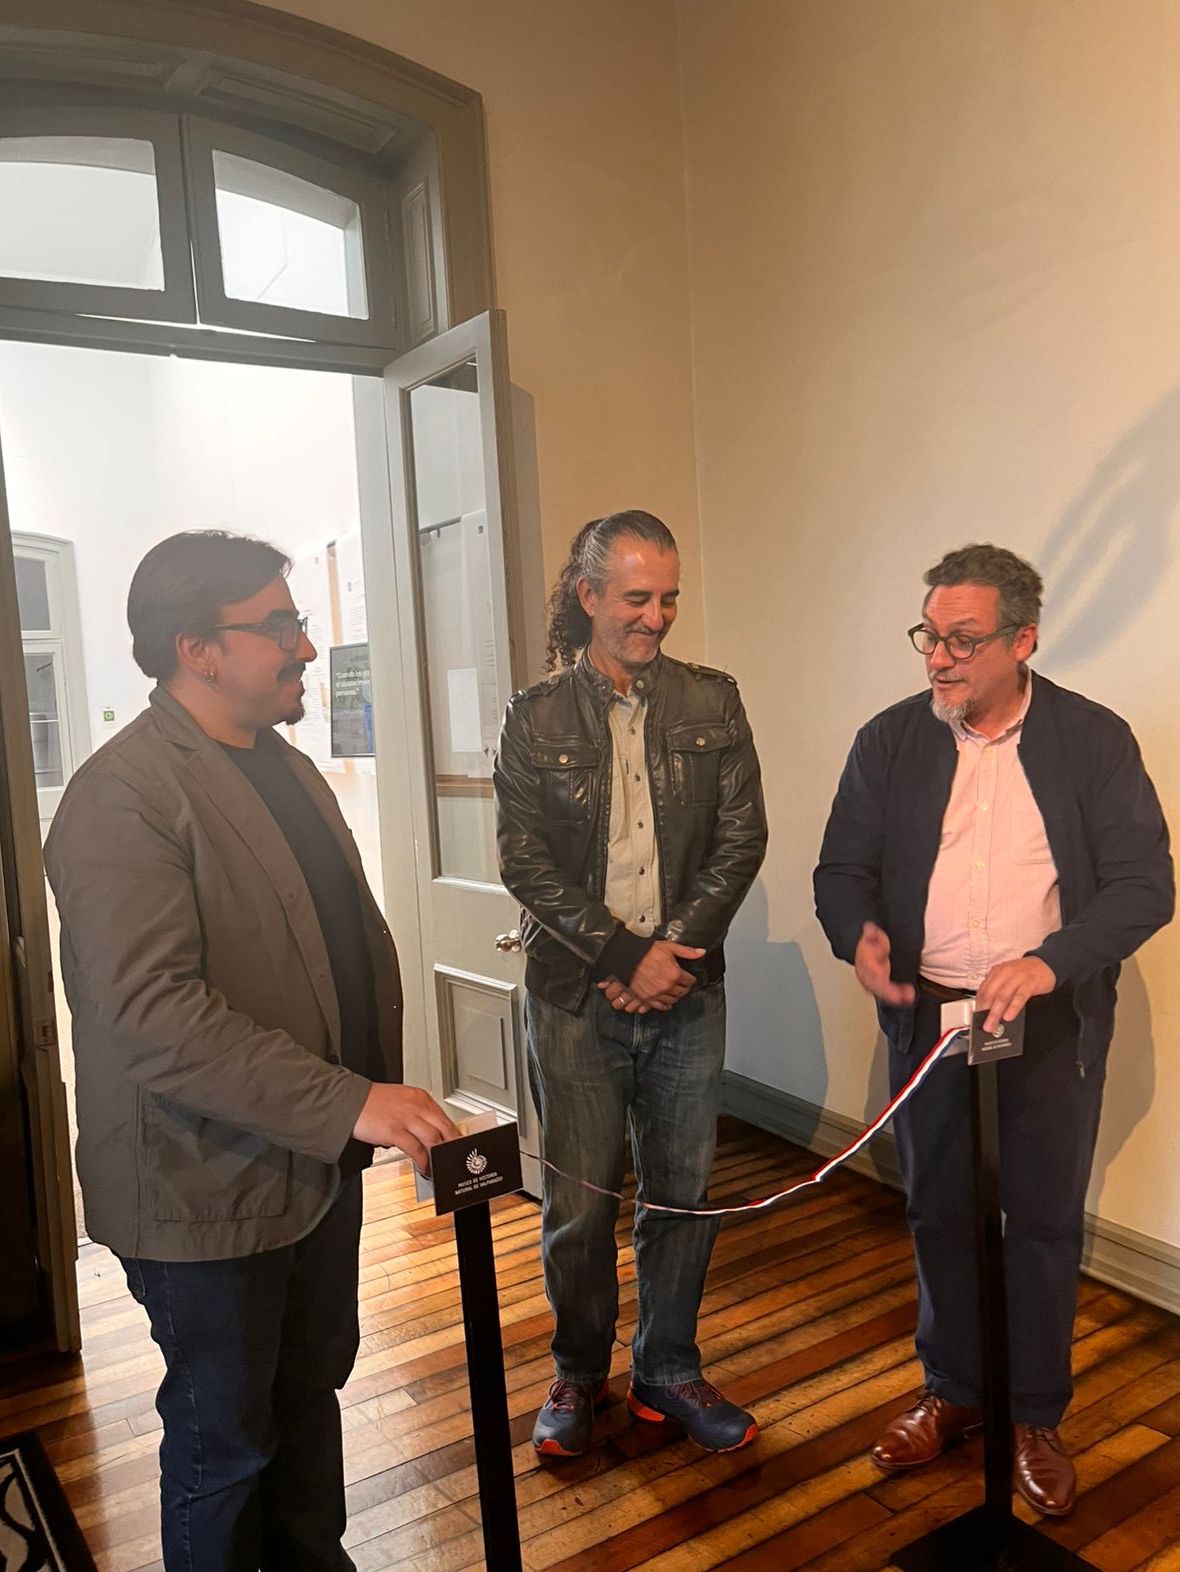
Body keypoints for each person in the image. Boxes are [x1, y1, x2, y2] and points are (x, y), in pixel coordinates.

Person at [45, 530, 457, 1572]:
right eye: (278, 626)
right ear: (197, 649)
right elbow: (153, 1015)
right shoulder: (120, 795)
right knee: (224, 1444)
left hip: (310, 1169)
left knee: (308, 1398)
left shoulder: (290, 770)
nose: (306, 647)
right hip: (204, 1187)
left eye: (298, 622)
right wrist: (352, 1098)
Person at [814, 543, 1173, 1517]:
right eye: (929, 636)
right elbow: (841, 870)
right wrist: (861, 936)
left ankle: (1036, 1415)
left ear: (1024, 640)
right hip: (931, 1019)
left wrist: (1051, 960)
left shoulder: (1092, 739)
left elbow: (1145, 884)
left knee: (1043, 1220)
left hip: (1045, 1024)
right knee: (938, 1211)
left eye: (962, 640)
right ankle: (956, 1390)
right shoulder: (890, 740)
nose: (938, 658)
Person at [493, 509, 767, 1457]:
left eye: (669, 599)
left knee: (683, 1194)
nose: (657, 617)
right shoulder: (531, 718)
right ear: (589, 596)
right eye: (638, 598)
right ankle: (578, 1372)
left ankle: (668, 1370)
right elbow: (525, 863)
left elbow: (742, 839)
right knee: (579, 1204)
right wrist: (620, 960)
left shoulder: (712, 701)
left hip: (687, 991)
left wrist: (670, 955)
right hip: (575, 997)